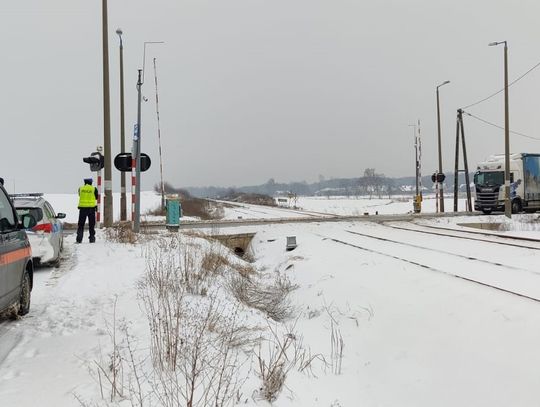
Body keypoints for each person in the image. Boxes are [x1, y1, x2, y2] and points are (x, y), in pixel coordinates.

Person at [76, 178, 98, 243]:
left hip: (82, 209)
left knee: (81, 224)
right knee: (91, 224)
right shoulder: (94, 189)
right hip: (91, 209)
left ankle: (79, 238)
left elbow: (80, 195)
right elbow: (97, 197)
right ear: (91, 182)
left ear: (85, 182)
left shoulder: (81, 188)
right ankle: (92, 238)